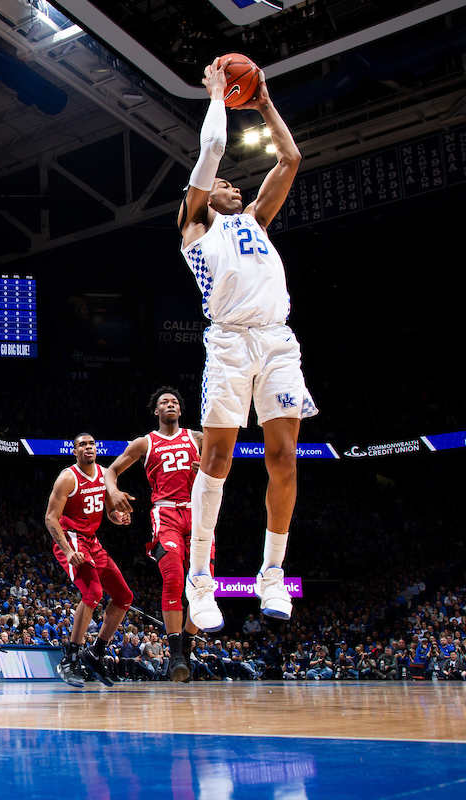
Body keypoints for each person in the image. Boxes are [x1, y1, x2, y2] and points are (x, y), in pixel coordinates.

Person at [175, 57, 316, 631]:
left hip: (277, 342)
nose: (233, 185)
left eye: (237, 184)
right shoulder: (192, 229)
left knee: (284, 458)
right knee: (218, 460)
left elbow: (290, 159)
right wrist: (215, 93)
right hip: (230, 344)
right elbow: (211, 149)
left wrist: (262, 103)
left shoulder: (255, 219)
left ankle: (272, 573)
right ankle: (200, 580)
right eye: (224, 185)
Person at [105, 387, 203, 681]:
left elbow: (224, 466)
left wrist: (211, 471)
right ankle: (175, 656)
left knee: (200, 586)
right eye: (164, 402)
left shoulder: (197, 438)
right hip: (167, 513)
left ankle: (185, 644)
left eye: (174, 401)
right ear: (156, 411)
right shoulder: (145, 442)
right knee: (173, 578)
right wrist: (113, 490)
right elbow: (111, 472)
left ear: (180, 410)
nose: (170, 405)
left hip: (199, 513)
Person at [44, 434, 134, 687]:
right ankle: (70, 658)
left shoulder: (105, 475)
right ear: (75, 451)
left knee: (124, 597)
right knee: (93, 592)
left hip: (92, 541)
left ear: (97, 448)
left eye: (91, 444)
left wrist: (120, 518)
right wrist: (68, 550)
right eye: (82, 445)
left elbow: (110, 513)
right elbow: (51, 518)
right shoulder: (67, 478)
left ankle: (96, 652)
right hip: (71, 539)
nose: (88, 447)